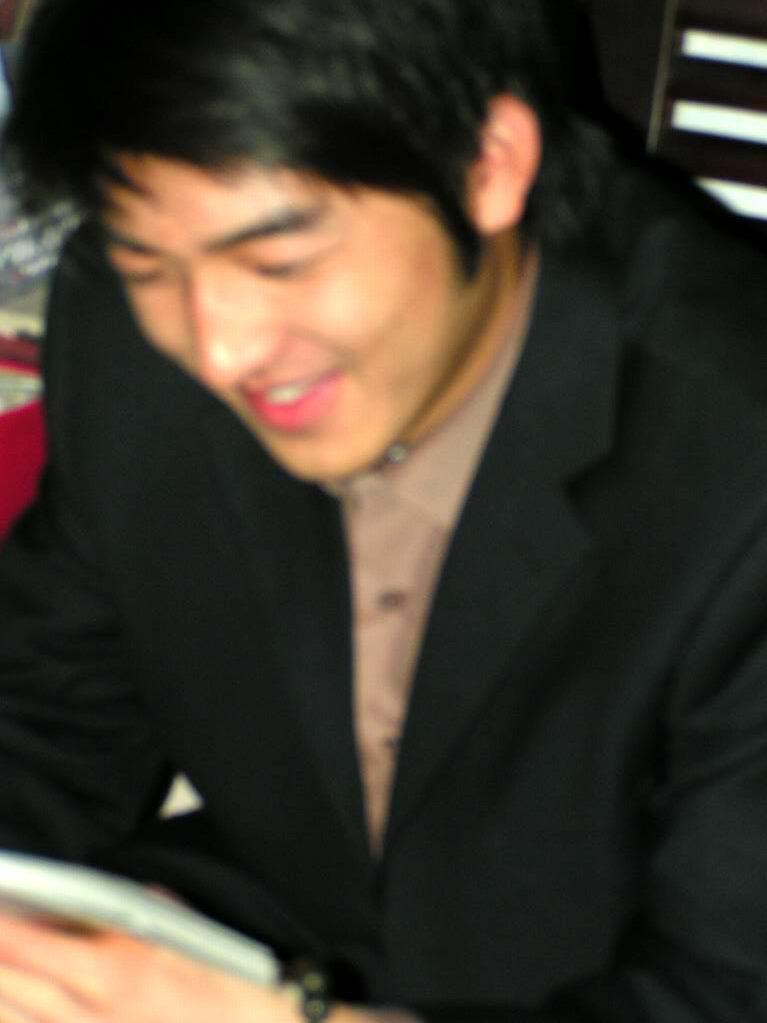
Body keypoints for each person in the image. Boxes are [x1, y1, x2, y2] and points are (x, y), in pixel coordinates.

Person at [1, 0, 767, 1020]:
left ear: (488, 165)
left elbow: (726, 988)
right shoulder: (130, 324)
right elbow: (49, 710)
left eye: (279, 262)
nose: (218, 349)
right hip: (274, 926)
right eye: (150, 264)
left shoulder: (733, 457)